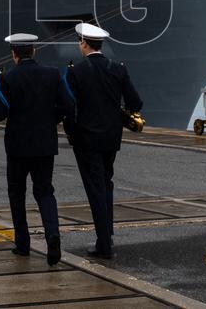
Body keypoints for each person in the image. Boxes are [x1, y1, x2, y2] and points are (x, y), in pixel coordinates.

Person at [64, 22, 143, 259]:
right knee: (106, 184)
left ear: (84, 44)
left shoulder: (75, 71)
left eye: (80, 41)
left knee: (95, 188)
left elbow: (69, 107)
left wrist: (71, 133)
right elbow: (135, 103)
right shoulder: (117, 69)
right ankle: (107, 236)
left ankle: (104, 244)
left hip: (86, 140)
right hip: (111, 138)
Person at [0, 33, 71, 266]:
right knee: (45, 192)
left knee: (17, 194)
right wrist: (50, 120)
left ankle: (23, 244)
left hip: (17, 147)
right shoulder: (53, 74)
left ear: (14, 54)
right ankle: (52, 236)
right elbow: (68, 105)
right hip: (45, 144)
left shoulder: (7, 78)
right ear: (34, 51)